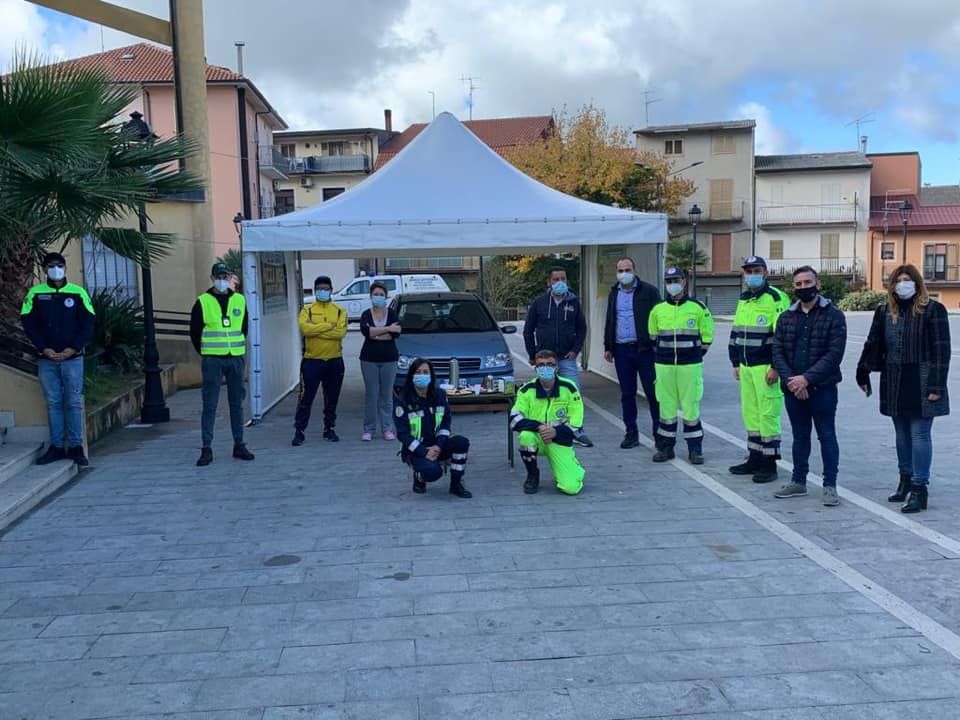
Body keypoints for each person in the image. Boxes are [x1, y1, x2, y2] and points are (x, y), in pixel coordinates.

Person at [856, 265, 951, 513]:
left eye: (908, 279)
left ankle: (920, 488)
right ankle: (905, 479)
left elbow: (942, 350)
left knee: (920, 434)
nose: (903, 284)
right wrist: (863, 369)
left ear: (917, 283)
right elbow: (873, 342)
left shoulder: (933, 310)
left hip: (922, 378)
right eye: (899, 280)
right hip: (894, 378)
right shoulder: (885, 311)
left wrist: (936, 385)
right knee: (901, 435)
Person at [771, 267, 847, 506]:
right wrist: (793, 380)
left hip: (822, 389)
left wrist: (807, 379)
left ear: (818, 284)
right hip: (793, 389)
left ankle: (830, 486)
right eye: (798, 284)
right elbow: (778, 352)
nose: (803, 287)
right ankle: (798, 481)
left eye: (807, 282)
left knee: (826, 436)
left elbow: (834, 354)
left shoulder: (833, 315)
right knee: (800, 436)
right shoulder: (786, 317)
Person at [20, 252, 96, 467]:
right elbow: (28, 324)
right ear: (44, 269)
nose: (56, 269)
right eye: (51, 266)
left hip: (73, 359)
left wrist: (73, 348)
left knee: (73, 403)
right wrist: (44, 349)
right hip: (47, 359)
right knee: (53, 402)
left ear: (65, 267)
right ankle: (55, 447)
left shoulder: (78, 293)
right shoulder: (35, 293)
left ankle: (75, 447)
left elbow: (88, 323)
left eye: (59, 265)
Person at [728, 256, 790, 484]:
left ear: (765, 272)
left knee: (768, 415)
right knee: (751, 415)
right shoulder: (744, 299)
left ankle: (769, 463)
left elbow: (782, 337)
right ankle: (754, 457)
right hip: (745, 367)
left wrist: (776, 367)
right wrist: (735, 361)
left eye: (756, 270)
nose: (752, 274)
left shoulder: (775, 298)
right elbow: (736, 332)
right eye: (748, 271)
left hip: (765, 368)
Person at [190, 262, 255, 466]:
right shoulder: (202, 302)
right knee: (210, 405)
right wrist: (207, 352)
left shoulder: (239, 300)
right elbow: (195, 332)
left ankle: (239, 444)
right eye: (219, 277)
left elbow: (244, 328)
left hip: (235, 357)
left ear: (230, 279)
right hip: (213, 359)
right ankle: (206, 447)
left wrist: (235, 349)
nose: (222, 280)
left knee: (237, 404)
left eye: (226, 277)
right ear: (212, 278)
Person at [648, 267, 713, 464]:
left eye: (676, 279)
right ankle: (666, 448)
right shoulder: (657, 310)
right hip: (664, 366)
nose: (672, 284)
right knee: (666, 410)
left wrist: (693, 354)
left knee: (691, 409)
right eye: (668, 280)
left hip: (690, 366)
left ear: (684, 281)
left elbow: (707, 337)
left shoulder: (698, 308)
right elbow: (652, 337)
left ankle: (695, 450)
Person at [523, 266, 592, 446]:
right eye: (556, 279)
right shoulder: (539, 302)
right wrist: (532, 353)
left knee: (573, 393)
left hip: (566, 358)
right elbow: (528, 330)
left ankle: (577, 430)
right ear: (549, 282)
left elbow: (582, 328)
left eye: (563, 279)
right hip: (545, 359)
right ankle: (548, 429)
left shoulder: (574, 302)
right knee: (547, 395)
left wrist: (576, 350)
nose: (560, 282)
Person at [603, 257, 661, 449]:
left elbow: (659, 319)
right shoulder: (614, 293)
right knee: (627, 394)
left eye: (627, 270)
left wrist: (657, 345)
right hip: (621, 350)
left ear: (634, 271)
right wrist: (608, 346)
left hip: (644, 350)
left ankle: (659, 433)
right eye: (620, 270)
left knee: (653, 393)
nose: (624, 274)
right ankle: (631, 433)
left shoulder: (649, 291)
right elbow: (610, 319)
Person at [510, 350, 585, 495]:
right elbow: (514, 419)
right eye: (541, 365)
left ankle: (574, 468)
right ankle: (532, 475)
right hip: (536, 438)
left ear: (557, 367)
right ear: (535, 368)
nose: (545, 368)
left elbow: (576, 423)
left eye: (550, 364)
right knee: (526, 436)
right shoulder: (526, 390)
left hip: (558, 440)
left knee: (571, 488)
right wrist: (540, 427)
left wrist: (555, 432)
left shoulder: (569, 388)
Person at [394, 358, 472, 498]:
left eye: (425, 372)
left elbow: (445, 423)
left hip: (437, 445)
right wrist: (424, 452)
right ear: (411, 376)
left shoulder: (439, 395)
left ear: (431, 376)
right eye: (418, 372)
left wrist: (438, 446)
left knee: (461, 442)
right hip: (416, 450)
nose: (422, 375)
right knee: (433, 472)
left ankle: (456, 484)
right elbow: (403, 434)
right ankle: (419, 478)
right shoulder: (403, 400)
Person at [293, 275, 348, 446]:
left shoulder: (340, 310)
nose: (323, 291)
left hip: (334, 361)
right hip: (312, 361)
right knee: (305, 399)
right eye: (319, 289)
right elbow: (305, 330)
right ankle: (299, 431)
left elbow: (340, 333)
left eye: (326, 288)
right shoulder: (307, 310)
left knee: (332, 398)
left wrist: (316, 329)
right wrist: (328, 326)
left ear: (331, 290)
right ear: (315, 290)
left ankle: (329, 429)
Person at [359, 282, 401, 441]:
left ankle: (387, 429)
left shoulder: (392, 314)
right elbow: (367, 332)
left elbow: (396, 333)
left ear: (386, 296)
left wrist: (376, 333)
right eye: (375, 294)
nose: (378, 297)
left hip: (389, 360)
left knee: (386, 396)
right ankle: (368, 429)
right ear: (370, 296)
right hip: (369, 360)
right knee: (371, 395)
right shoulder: (365, 314)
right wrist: (387, 329)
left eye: (381, 294)